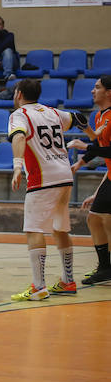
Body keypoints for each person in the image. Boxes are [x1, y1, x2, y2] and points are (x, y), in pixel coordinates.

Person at [8, 78, 77, 300]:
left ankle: (39, 287)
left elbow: (18, 136)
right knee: (60, 228)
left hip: (43, 179)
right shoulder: (53, 112)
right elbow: (76, 118)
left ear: (19, 94)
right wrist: (93, 133)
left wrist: (17, 166)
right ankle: (68, 281)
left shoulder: (19, 115)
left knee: (34, 230)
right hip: (65, 175)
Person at [69, 76, 111, 285]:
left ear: (109, 92)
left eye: (97, 87)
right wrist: (80, 163)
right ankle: (105, 268)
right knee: (95, 218)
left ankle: (106, 267)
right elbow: (98, 144)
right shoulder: (99, 117)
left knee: (104, 220)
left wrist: (85, 147)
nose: (93, 91)